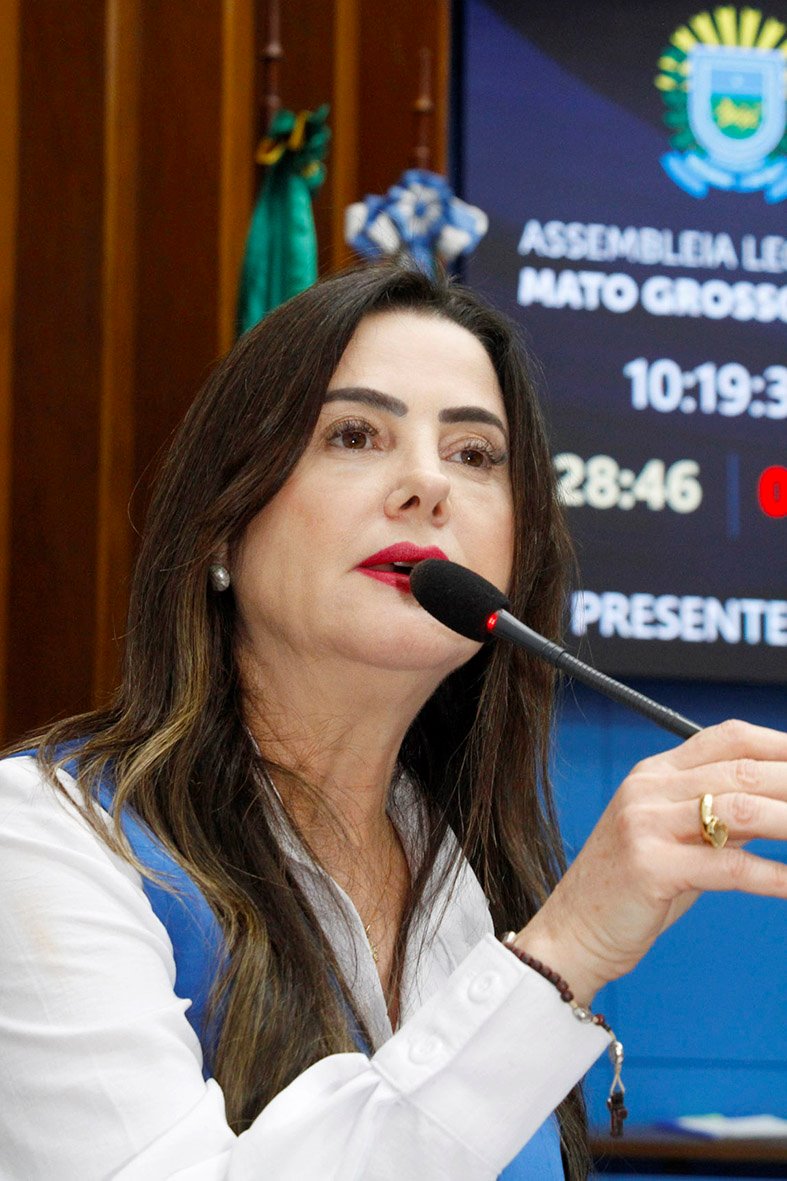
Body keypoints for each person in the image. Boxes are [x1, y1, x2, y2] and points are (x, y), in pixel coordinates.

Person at [1, 263, 785, 1181]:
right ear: (219, 529)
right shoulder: (46, 839)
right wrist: (558, 958)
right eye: (353, 434)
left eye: (474, 454)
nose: (426, 484)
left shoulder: (466, 873)